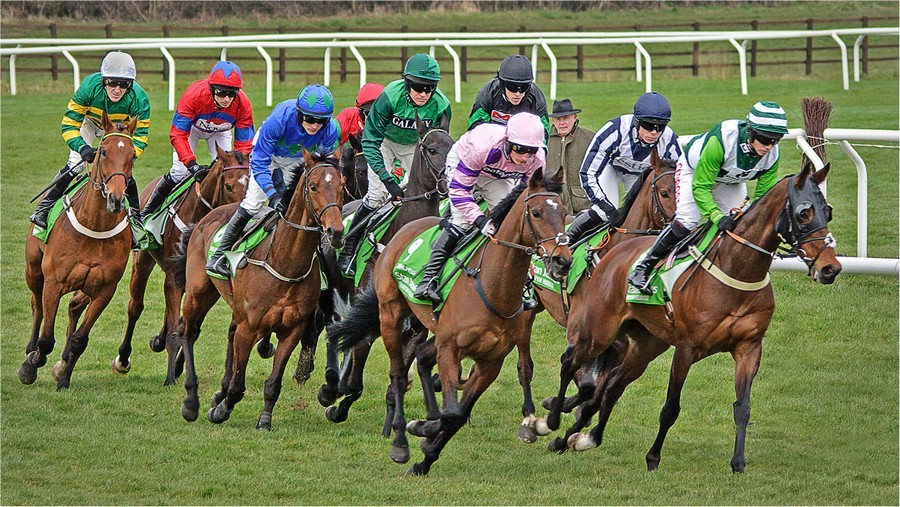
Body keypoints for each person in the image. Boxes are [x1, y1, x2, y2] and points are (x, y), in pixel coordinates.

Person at [628, 101, 788, 294]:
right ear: (750, 132)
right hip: (695, 172)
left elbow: (763, 198)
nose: (769, 147)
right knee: (687, 220)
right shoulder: (721, 142)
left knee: (742, 224)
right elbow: (701, 187)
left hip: (729, 179)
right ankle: (643, 267)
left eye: (775, 140)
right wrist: (716, 216)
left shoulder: (772, 154)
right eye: (764, 139)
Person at [206, 83, 339, 277]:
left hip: (296, 159)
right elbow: (259, 163)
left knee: (301, 205)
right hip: (266, 155)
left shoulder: (330, 130)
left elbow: (325, 165)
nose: (315, 125)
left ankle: (318, 261)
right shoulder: (279, 120)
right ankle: (218, 255)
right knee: (253, 203)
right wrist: (272, 194)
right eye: (310, 119)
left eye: (321, 121)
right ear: (299, 114)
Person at [337, 53, 452, 277]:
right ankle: (349, 251)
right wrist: (387, 179)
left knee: (433, 192)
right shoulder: (390, 96)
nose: (424, 94)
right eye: (418, 87)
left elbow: (440, 142)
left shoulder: (442, 105)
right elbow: (370, 141)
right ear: (407, 83)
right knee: (377, 195)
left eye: (430, 88)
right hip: (384, 142)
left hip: (414, 145)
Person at [413, 112, 546, 304]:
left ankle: (522, 283)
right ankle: (428, 280)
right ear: (508, 142)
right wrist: (480, 220)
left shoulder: (538, 159)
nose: (525, 157)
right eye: (520, 149)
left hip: (497, 175)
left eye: (531, 151)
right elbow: (459, 191)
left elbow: (526, 196)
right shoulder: (482, 148)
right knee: (461, 222)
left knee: (511, 222)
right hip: (464, 161)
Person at [30, 51, 150, 230]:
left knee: (122, 172)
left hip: (119, 130)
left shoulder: (140, 99)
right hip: (89, 123)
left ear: (131, 84)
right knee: (75, 165)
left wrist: (127, 157)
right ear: (103, 81)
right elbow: (69, 125)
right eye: (112, 83)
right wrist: (82, 148)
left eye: (124, 84)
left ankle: (136, 220)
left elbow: (140, 137)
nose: (117, 89)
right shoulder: (88, 88)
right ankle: (44, 208)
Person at [140, 61, 254, 218]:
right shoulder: (193, 95)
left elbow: (244, 144)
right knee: (179, 172)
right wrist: (192, 165)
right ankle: (147, 211)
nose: (227, 99)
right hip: (192, 130)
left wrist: (237, 166)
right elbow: (178, 135)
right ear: (211, 88)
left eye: (232, 94)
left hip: (221, 132)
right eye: (221, 93)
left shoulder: (243, 104)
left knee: (231, 172)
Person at [565, 92, 682, 245]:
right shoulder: (614, 131)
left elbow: (683, 178)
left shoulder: (670, 142)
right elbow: (587, 173)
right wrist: (609, 209)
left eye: (661, 127)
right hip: (611, 169)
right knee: (603, 212)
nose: (654, 132)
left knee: (643, 215)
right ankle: (567, 242)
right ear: (636, 122)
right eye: (648, 125)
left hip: (640, 175)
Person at [467, 54, 550, 134]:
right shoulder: (488, 93)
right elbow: (476, 130)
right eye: (512, 87)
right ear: (502, 84)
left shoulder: (536, 98)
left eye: (523, 88)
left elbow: (542, 133)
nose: (518, 94)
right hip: (492, 138)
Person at [545, 98, 595, 214]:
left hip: (584, 207)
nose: (562, 123)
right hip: (553, 209)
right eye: (558, 119)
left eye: (566, 118)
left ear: (575, 117)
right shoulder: (544, 140)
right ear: (553, 120)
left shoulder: (590, 138)